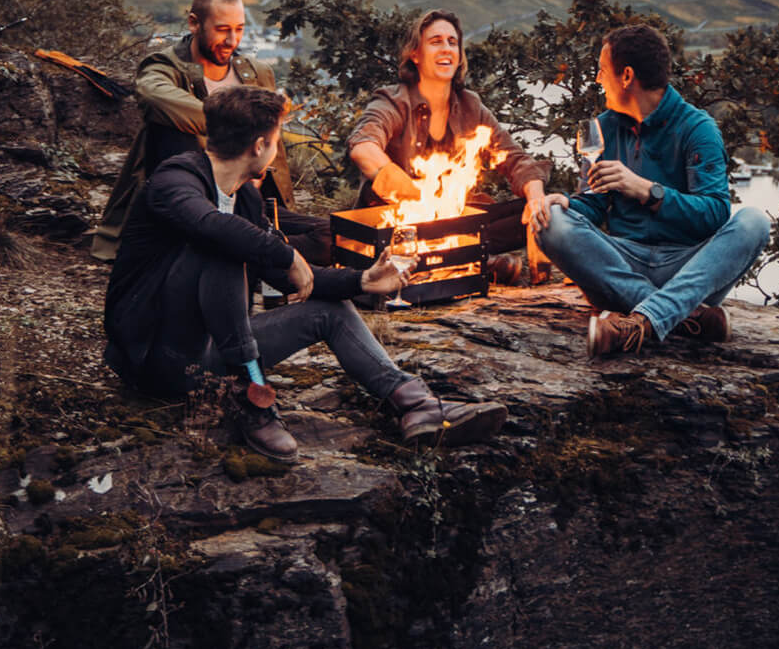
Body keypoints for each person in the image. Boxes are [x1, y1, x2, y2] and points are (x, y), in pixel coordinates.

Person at [103, 85, 508, 461]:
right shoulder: (174, 181)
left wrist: (362, 280)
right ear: (260, 145)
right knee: (222, 247)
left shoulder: (244, 197)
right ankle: (251, 396)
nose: (276, 148)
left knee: (328, 311)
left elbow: (285, 276)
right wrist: (286, 253)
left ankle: (415, 403)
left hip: (213, 358)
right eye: (276, 139)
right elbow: (216, 230)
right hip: (156, 357)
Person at [534, 23, 770, 356]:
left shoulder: (698, 128)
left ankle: (643, 319)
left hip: (686, 268)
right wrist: (569, 205)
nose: (598, 81)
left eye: (602, 72)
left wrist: (648, 191)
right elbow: (593, 203)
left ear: (626, 76)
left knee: (754, 222)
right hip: (622, 264)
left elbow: (715, 215)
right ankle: (687, 315)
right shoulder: (598, 129)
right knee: (550, 220)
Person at [91, 0, 329, 265]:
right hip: (190, 205)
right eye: (222, 29)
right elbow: (153, 96)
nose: (232, 41)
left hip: (250, 205)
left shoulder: (257, 74)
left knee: (332, 232)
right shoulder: (165, 67)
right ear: (194, 23)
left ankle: (261, 250)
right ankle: (259, 252)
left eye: (239, 29)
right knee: (170, 126)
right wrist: (240, 127)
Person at [347, 9, 551, 280]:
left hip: (453, 222)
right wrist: (419, 197)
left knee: (547, 207)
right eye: (435, 41)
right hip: (399, 225)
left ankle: (461, 257)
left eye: (452, 42)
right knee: (383, 236)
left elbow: (516, 160)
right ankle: (474, 261)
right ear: (415, 55)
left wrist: (536, 200)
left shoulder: (470, 105)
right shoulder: (393, 101)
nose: (446, 49)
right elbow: (363, 147)